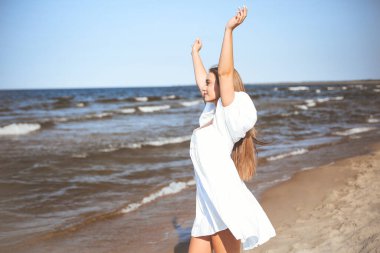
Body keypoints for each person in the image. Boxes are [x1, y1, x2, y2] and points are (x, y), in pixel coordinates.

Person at [189, 5, 276, 253]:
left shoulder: (226, 117)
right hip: (205, 204)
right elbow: (204, 81)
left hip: (222, 203)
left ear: (222, 89)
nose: (203, 87)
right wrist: (194, 53)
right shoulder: (210, 113)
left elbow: (224, 73)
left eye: (209, 83)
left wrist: (229, 30)